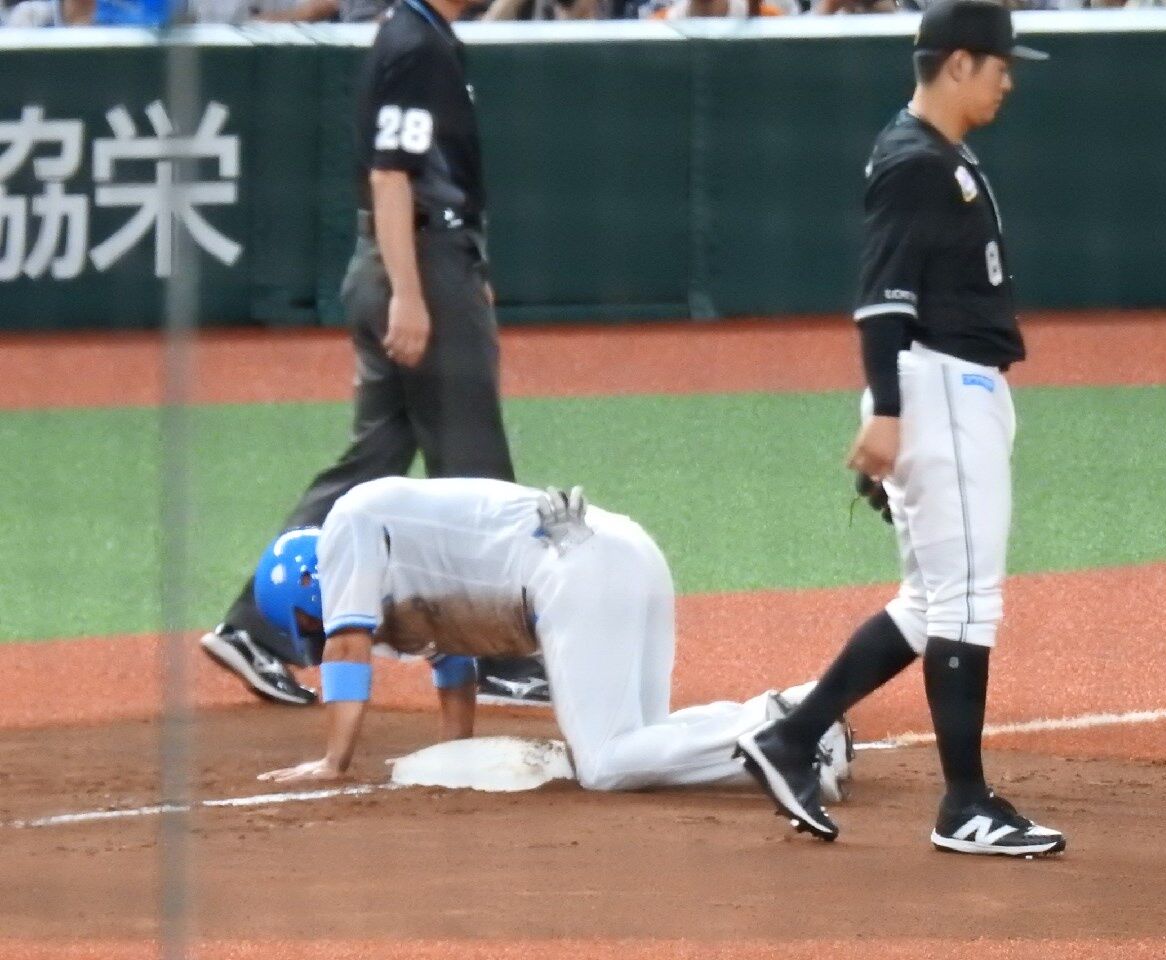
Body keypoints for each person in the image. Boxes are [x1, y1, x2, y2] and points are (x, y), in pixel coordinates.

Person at [734, 0, 1066, 858]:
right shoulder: (916, 161)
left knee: (929, 602)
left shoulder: (933, 151)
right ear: (958, 63)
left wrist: (892, 419)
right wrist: (888, 413)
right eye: (1000, 65)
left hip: (947, 391)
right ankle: (964, 806)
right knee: (966, 602)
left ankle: (792, 738)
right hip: (940, 388)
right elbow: (883, 300)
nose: (1008, 80)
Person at [200, 0, 550, 709]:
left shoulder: (418, 35)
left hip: (421, 259)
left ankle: (254, 630)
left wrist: (465, 270)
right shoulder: (416, 42)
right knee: (475, 469)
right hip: (415, 262)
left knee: (372, 463)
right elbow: (392, 176)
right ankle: (499, 658)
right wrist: (414, 294)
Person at [252, 477, 852, 797]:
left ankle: (780, 728)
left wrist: (333, 762)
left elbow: (346, 647)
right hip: (620, 551)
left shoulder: (347, 525)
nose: (319, 635)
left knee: (605, 765)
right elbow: (453, 664)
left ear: (309, 585)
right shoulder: (406, 575)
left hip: (579, 568)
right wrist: (452, 754)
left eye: (308, 624)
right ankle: (799, 714)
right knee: (643, 740)